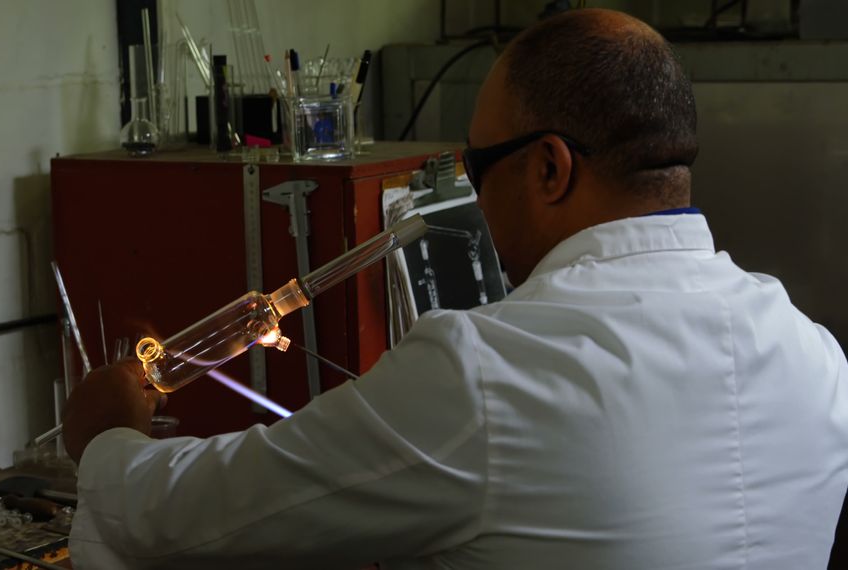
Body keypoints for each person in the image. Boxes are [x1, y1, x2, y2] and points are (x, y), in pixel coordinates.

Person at [63, 8, 848, 569]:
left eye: (477, 169)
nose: (471, 197)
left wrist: (107, 440)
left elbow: (205, 516)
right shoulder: (817, 358)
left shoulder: (491, 370)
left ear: (549, 168)